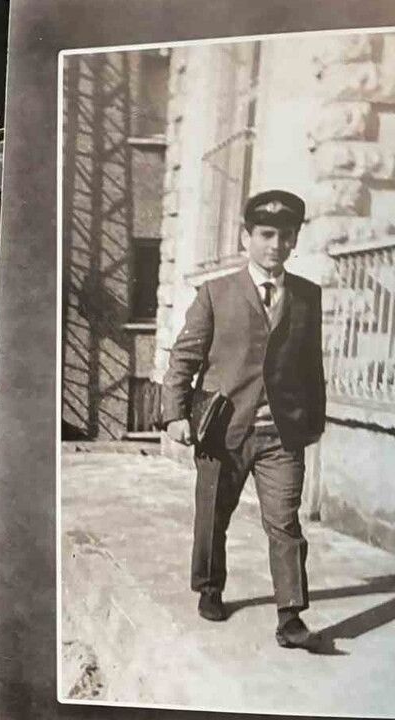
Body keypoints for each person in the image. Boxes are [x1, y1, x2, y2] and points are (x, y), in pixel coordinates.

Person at [160, 190, 324, 651]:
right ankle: (210, 589)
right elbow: (184, 358)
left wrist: (312, 424)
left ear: (294, 241)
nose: (275, 244)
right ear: (245, 237)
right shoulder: (216, 293)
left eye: (285, 235)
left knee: (285, 522)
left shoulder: (308, 297)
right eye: (266, 234)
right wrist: (174, 414)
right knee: (213, 517)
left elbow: (313, 367)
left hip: (281, 435)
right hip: (223, 429)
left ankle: (291, 616)